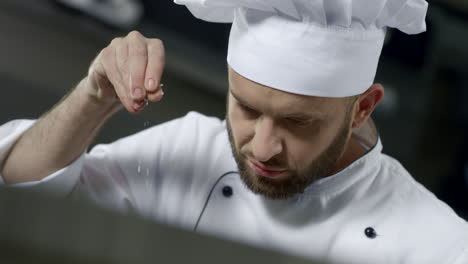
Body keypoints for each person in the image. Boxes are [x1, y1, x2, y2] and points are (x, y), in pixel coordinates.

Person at [1, 0, 468, 263]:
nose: (261, 147)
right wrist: (93, 95)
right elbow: (21, 195)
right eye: (245, 108)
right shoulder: (189, 147)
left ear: (362, 108)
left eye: (297, 122)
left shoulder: (440, 244)